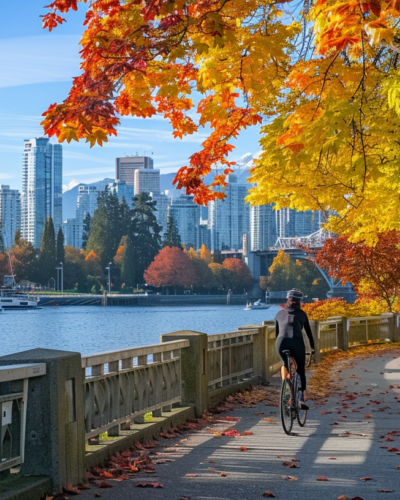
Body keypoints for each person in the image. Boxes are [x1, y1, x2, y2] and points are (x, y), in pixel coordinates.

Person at [275, 288, 315, 407]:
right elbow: (308, 333)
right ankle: (302, 397)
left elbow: (277, 333)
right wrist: (312, 348)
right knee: (300, 369)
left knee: (284, 364)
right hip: (296, 342)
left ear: (288, 300)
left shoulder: (279, 314)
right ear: (300, 301)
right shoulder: (302, 314)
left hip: (281, 343)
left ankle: (286, 389)